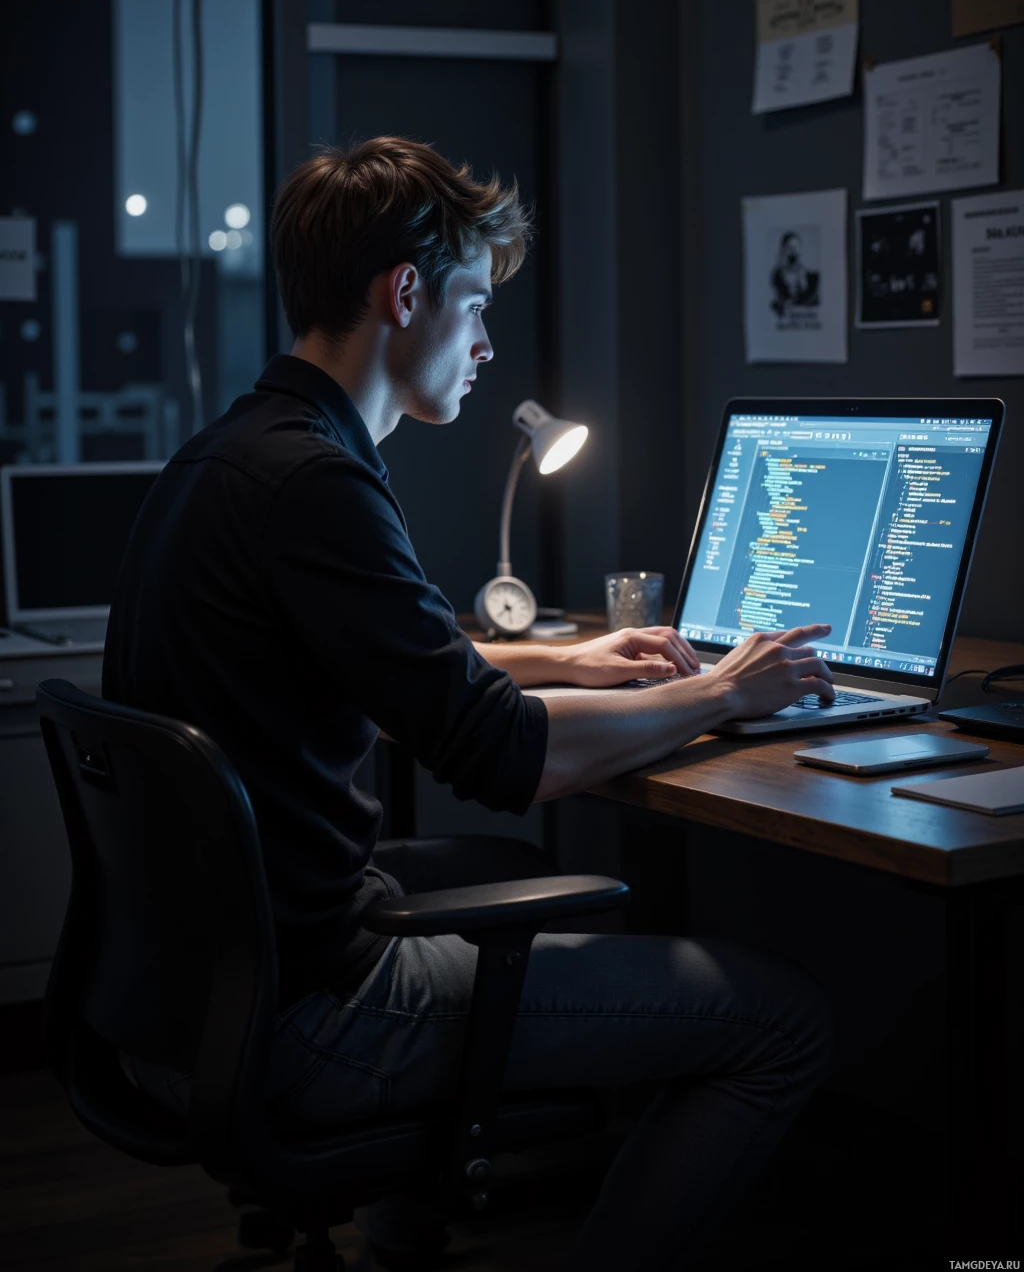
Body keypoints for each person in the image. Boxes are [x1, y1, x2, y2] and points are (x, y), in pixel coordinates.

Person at [104, 137, 833, 1271]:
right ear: (405, 294)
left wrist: (579, 664)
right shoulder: (318, 486)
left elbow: (406, 658)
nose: (489, 344)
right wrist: (720, 689)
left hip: (192, 988)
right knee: (780, 1023)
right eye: (476, 306)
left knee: (503, 876)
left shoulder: (237, 457)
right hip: (313, 1015)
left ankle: (409, 1239)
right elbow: (508, 758)